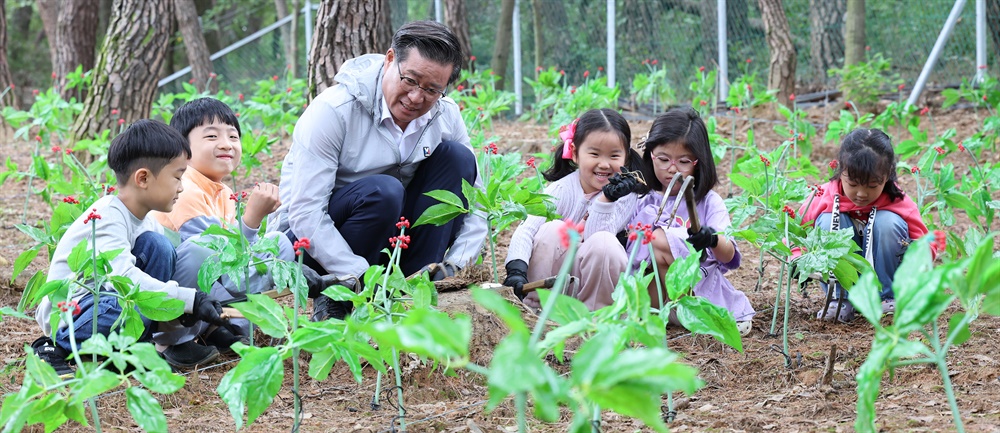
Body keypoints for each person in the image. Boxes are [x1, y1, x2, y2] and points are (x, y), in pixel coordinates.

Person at [269, 20, 486, 322]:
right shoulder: (334, 111)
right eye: (410, 80)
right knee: (384, 191)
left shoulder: (444, 114)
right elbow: (305, 212)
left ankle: (415, 288)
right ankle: (337, 297)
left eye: (432, 89)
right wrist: (360, 276)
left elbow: (476, 200)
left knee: (458, 158)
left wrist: (457, 265)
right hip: (318, 245)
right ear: (389, 60)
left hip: (392, 238)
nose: (416, 97)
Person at [31, 120, 233, 375]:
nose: (181, 187)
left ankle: (128, 348)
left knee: (159, 247)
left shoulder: (148, 222)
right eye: (177, 177)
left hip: (115, 304)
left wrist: (181, 312)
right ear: (143, 178)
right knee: (118, 303)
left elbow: (151, 287)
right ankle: (54, 347)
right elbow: (123, 281)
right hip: (75, 313)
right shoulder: (107, 216)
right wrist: (188, 299)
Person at [152, 98, 339, 349]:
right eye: (211, 137)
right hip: (175, 297)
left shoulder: (223, 193)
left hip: (209, 292)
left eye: (233, 136)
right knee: (204, 249)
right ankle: (174, 341)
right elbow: (218, 267)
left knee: (279, 243)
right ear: (182, 147)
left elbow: (233, 265)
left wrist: (276, 260)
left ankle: (222, 327)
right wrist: (251, 221)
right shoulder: (184, 187)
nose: (226, 144)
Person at [627, 108, 754, 335]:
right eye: (663, 159)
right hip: (654, 296)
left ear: (698, 162)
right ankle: (669, 313)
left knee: (656, 241)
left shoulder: (708, 202)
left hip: (696, 289)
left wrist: (712, 239)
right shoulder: (640, 197)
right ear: (650, 155)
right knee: (651, 244)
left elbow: (730, 257)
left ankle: (691, 311)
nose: (672, 169)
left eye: (683, 161)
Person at [502, 108, 644, 311]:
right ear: (575, 154)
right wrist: (516, 270)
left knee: (605, 242)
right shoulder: (562, 189)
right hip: (554, 284)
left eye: (614, 155)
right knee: (553, 229)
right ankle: (535, 305)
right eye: (594, 154)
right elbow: (526, 231)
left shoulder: (626, 196)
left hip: (593, 287)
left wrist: (607, 198)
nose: (604, 164)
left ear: (626, 158)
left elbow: (598, 238)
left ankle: (596, 315)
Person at [798, 128, 929, 322]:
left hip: (885, 272)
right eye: (853, 184)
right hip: (845, 276)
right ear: (841, 170)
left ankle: (887, 298)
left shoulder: (898, 201)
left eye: (872, 186)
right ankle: (840, 300)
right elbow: (797, 231)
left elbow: (924, 241)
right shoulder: (823, 196)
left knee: (888, 223)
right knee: (826, 222)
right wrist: (797, 257)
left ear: (887, 176)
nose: (861, 193)